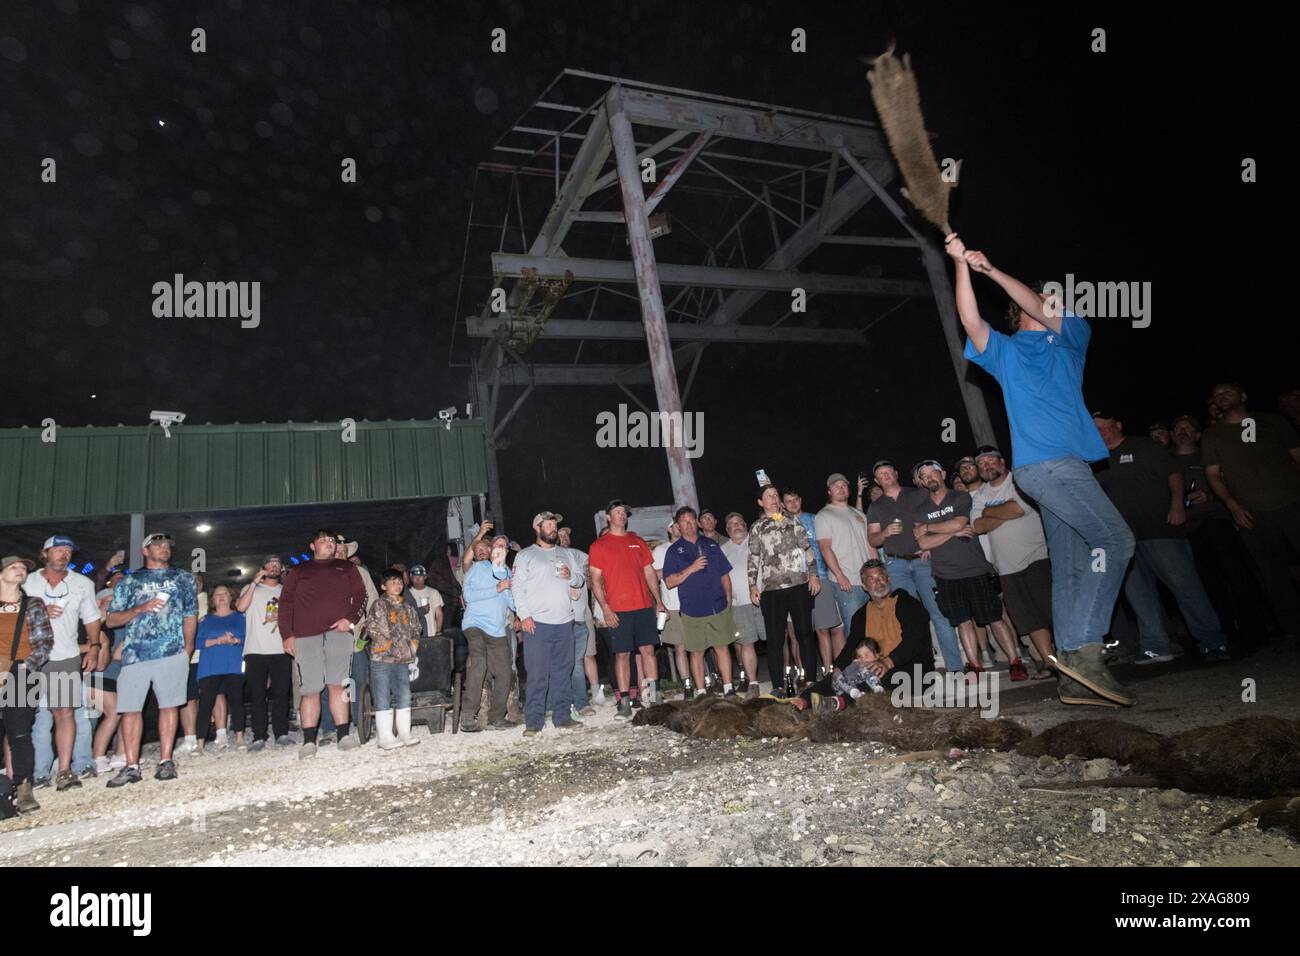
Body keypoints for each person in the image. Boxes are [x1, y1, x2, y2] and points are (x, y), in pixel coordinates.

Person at [948, 235, 1135, 707]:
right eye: (1051, 294)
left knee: (1071, 566)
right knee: (1116, 541)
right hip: (1045, 468)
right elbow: (970, 320)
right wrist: (961, 266)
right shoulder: (1007, 352)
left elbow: (1034, 300)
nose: (1057, 299)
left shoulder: (1071, 341)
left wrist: (990, 269)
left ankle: (1072, 670)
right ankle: (1088, 653)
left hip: (1062, 470)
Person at [1092, 413, 1231, 662]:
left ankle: (1212, 641)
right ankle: (1156, 645)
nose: (1100, 432)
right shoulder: (1096, 459)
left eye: (1103, 427)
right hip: (1125, 540)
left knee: (1186, 587)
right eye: (1095, 429)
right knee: (1139, 595)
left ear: (1118, 424)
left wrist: (1177, 505)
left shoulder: (1143, 445)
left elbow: (1174, 474)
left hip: (1160, 530)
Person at [1200, 382, 1300, 645]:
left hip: (1291, 503)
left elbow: (1297, 455)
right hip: (1251, 513)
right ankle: (1292, 629)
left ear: (1243, 396)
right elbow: (1212, 475)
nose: (1221, 397)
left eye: (1227, 392)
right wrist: (1233, 505)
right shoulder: (1213, 435)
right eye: (1216, 395)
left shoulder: (1273, 422)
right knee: (1272, 574)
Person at [912, 460, 1030, 681]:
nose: (929, 478)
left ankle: (1015, 661)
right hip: (945, 574)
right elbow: (923, 544)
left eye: (933, 473)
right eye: (924, 476)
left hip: (975, 569)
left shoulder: (960, 497)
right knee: (962, 621)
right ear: (921, 482)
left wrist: (928, 528)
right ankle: (975, 666)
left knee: (994, 618)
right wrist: (952, 532)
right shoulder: (921, 509)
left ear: (943, 473)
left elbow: (960, 523)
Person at [103, 533, 198, 786]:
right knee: (131, 709)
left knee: (170, 706)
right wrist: (139, 609)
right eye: (158, 545)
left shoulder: (183, 578)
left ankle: (166, 761)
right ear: (146, 550)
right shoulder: (130, 580)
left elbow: (190, 615)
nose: (164, 548)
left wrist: (187, 648)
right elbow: (111, 619)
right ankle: (131, 765)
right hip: (135, 654)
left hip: (171, 652)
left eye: (167, 545)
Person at [1169, 414, 1270, 649]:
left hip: (1220, 522)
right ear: (1172, 436)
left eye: (1188, 428)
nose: (1183, 431)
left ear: (1198, 435)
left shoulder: (1209, 457)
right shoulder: (1165, 462)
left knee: (1238, 576)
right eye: (1178, 428)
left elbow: (1236, 483)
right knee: (1208, 584)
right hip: (1188, 532)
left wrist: (1210, 496)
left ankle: (1255, 632)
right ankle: (1226, 635)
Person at [794, 560, 937, 711]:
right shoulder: (861, 615)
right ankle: (802, 701)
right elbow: (851, 647)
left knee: (874, 679)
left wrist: (888, 662)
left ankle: (838, 703)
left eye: (881, 577)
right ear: (864, 586)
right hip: (874, 668)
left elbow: (914, 641)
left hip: (913, 672)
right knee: (838, 677)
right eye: (872, 579)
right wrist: (838, 668)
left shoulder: (909, 604)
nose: (879, 582)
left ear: (888, 579)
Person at [866, 460, 964, 671]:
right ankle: (921, 669)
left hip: (923, 562)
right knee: (908, 619)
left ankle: (955, 667)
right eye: (880, 474)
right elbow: (873, 539)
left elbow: (933, 518)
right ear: (877, 481)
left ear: (895, 472)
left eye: (888, 472)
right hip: (895, 566)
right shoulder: (876, 506)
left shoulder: (917, 494)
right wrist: (884, 533)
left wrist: (928, 541)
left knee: (938, 612)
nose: (885, 476)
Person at [278, 529, 368, 758]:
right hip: (306, 636)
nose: (329, 543)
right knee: (310, 689)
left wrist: (350, 619)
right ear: (312, 546)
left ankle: (343, 736)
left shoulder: (347, 568)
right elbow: (286, 604)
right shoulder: (299, 571)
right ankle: (309, 742)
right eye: (323, 540)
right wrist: (287, 635)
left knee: (338, 685)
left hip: (338, 635)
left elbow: (361, 596)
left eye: (331, 541)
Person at [24, 535, 103, 791]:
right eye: (58, 550)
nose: (64, 555)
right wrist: (37, 612)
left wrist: (94, 647)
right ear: (45, 553)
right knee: (23, 717)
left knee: (65, 712)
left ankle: (65, 770)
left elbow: (91, 618)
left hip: (64, 656)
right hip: (25, 658)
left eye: (68, 551)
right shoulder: (26, 580)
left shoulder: (82, 583)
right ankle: (28, 775)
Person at [969, 446, 1055, 679]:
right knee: (1029, 618)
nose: (986, 466)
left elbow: (1019, 508)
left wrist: (990, 513)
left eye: (990, 461)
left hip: (1037, 557)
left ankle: (1073, 656)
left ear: (1002, 461)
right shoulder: (980, 495)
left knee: (1052, 612)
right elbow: (977, 526)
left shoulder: (1019, 481)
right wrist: (1000, 513)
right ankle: (1049, 663)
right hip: (1005, 567)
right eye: (982, 463)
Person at [511, 512, 586, 736]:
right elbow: (517, 587)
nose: (553, 528)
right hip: (538, 624)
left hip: (565, 622)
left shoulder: (566, 553)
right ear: (537, 528)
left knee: (564, 671)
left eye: (555, 525)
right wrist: (524, 615)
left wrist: (571, 576)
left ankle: (562, 716)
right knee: (537, 673)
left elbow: (580, 579)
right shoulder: (525, 555)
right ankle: (534, 721)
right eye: (549, 525)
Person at [589, 499, 665, 717]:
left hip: (642, 606)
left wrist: (658, 602)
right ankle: (623, 701)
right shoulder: (599, 546)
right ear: (608, 517)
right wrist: (605, 608)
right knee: (622, 654)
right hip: (618, 610)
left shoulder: (637, 541)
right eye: (618, 512)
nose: (622, 515)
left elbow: (649, 572)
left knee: (648, 650)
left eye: (624, 512)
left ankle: (653, 695)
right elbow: (595, 581)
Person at [747, 484, 821, 694]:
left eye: (775, 495)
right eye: (768, 496)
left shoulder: (792, 520)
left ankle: (810, 681)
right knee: (775, 639)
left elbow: (807, 547)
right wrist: (753, 584)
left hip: (798, 584)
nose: (773, 498)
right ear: (761, 502)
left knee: (805, 634)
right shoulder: (757, 527)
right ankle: (778, 685)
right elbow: (753, 557)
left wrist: (814, 574)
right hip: (772, 589)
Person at [0, 555, 56, 813]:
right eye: (14, 567)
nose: (20, 570)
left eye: (23, 568)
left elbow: (44, 642)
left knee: (20, 733)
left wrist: (22, 667)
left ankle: (23, 788)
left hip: (23, 671)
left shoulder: (33, 604)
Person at [662, 506, 737, 695]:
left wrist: (728, 599)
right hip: (692, 610)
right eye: (683, 522)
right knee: (696, 652)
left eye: (691, 520)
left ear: (696, 522)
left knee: (722, 648)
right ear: (678, 525)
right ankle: (701, 692)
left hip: (718, 606)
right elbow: (669, 582)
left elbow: (724, 574)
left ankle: (729, 688)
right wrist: (691, 568)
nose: (688, 525)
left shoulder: (710, 544)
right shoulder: (673, 551)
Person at [460, 534, 519, 731]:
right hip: (475, 624)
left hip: (497, 629)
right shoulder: (479, 567)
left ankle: (497, 716)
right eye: (497, 545)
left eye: (504, 546)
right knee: (479, 663)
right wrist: (497, 588)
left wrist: (512, 593)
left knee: (504, 671)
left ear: (506, 551)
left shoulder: (508, 573)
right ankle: (468, 716)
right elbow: (468, 596)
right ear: (492, 549)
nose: (500, 548)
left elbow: (512, 603)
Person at [235, 556, 293, 751]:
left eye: (277, 563)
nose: (274, 566)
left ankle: (282, 733)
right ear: (263, 567)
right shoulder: (251, 590)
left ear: (282, 568)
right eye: (270, 563)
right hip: (255, 650)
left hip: (280, 649)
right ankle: (259, 735)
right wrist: (254, 582)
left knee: (281, 693)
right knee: (258, 695)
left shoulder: (286, 591)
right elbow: (240, 607)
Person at [784, 485, 844, 673]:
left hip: (820, 577)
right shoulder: (782, 524)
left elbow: (828, 547)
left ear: (800, 501)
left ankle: (835, 670)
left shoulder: (815, 519)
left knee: (828, 628)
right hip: (795, 584)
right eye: (788, 501)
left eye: (796, 500)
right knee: (806, 632)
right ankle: (815, 672)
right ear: (783, 505)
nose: (793, 504)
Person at [814, 474, 873, 655]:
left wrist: (876, 572)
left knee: (871, 627)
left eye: (844, 485)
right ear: (829, 491)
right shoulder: (824, 515)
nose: (841, 488)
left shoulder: (859, 514)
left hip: (868, 581)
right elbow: (825, 548)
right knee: (854, 629)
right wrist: (840, 576)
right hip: (847, 581)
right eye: (836, 486)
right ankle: (857, 671)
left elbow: (870, 544)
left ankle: (874, 667)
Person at [365, 569, 423, 750]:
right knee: (382, 695)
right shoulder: (378, 605)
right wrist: (392, 646)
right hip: (382, 658)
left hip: (403, 659)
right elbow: (373, 629)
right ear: (383, 586)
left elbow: (416, 629)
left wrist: (412, 647)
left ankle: (404, 732)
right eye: (392, 582)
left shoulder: (408, 608)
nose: (397, 585)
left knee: (404, 694)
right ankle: (385, 736)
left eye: (399, 582)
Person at [193, 585, 247, 754]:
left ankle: (239, 737)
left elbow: (246, 638)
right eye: (217, 594)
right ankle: (200, 742)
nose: (222, 597)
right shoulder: (205, 620)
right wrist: (218, 640)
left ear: (231, 598)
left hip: (234, 665)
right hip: (209, 667)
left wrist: (234, 641)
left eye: (225, 593)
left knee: (237, 702)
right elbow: (198, 643)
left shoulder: (240, 618)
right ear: (212, 600)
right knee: (205, 704)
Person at [559, 527, 602, 710]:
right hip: (561, 617)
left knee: (588, 655)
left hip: (583, 615)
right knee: (568, 660)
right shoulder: (552, 558)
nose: (564, 538)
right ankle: (571, 697)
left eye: (567, 534)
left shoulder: (581, 556)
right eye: (560, 535)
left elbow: (595, 581)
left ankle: (596, 692)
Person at [721, 512, 763, 696]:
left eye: (739, 522)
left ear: (746, 525)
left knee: (779, 639)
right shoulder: (722, 550)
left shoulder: (757, 542)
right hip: (739, 604)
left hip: (764, 599)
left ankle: (785, 676)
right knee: (746, 643)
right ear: (727, 530)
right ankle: (753, 682)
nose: (736, 525)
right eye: (732, 524)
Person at [91, 569, 128, 774]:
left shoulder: (123, 621)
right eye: (109, 601)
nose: (113, 603)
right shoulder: (97, 626)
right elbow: (117, 654)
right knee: (112, 714)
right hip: (99, 675)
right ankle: (97, 757)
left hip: (118, 676)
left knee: (124, 713)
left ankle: (120, 754)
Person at [652, 521, 693, 695]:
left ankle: (707, 681)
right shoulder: (661, 550)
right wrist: (673, 570)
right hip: (673, 606)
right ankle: (687, 685)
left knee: (701, 645)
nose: (679, 526)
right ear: (669, 529)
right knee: (680, 647)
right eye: (675, 525)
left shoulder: (691, 546)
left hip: (695, 603)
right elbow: (652, 575)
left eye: (681, 524)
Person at [407, 565, 444, 637]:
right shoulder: (407, 594)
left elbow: (439, 614)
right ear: (411, 578)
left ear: (425, 577)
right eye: (415, 577)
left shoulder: (433, 592)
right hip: (414, 636)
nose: (418, 579)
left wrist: (438, 631)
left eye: (420, 576)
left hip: (432, 633)